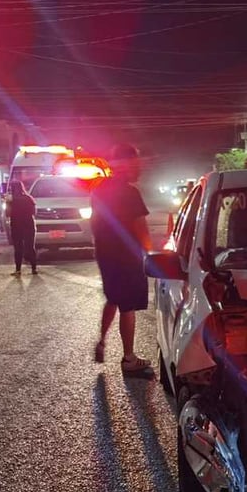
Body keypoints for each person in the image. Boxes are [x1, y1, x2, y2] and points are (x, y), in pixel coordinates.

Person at [90, 143, 154, 376]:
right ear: (126, 165)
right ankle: (129, 358)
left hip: (105, 254)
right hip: (126, 256)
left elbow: (95, 222)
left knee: (113, 298)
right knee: (128, 306)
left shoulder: (99, 189)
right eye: (136, 163)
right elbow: (141, 228)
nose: (139, 167)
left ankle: (102, 341)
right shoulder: (129, 193)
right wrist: (151, 253)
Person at [6, 180, 37, 276]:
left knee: (18, 247)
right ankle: (33, 269)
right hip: (29, 224)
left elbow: (8, 213)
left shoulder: (11, 200)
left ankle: (18, 270)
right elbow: (34, 212)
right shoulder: (29, 198)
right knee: (30, 246)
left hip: (16, 225)